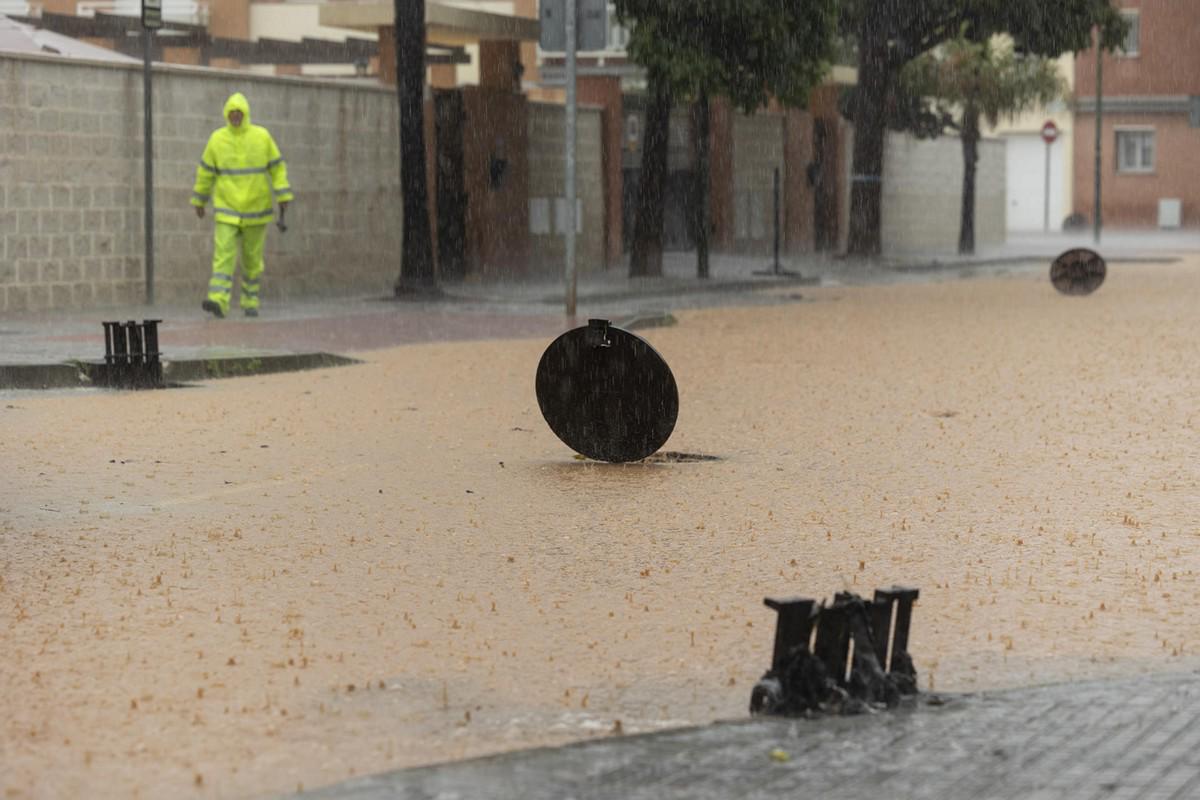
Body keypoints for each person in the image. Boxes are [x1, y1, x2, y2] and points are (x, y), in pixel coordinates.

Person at [191, 92, 293, 318]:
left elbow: (277, 167)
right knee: (223, 256)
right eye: (232, 113)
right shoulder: (217, 139)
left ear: (245, 114)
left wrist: (283, 194)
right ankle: (218, 300)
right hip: (227, 209)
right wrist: (199, 199)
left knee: (252, 260)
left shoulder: (261, 137)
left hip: (256, 210)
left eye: (239, 113)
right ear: (226, 115)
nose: (235, 117)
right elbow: (205, 172)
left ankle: (250, 301)